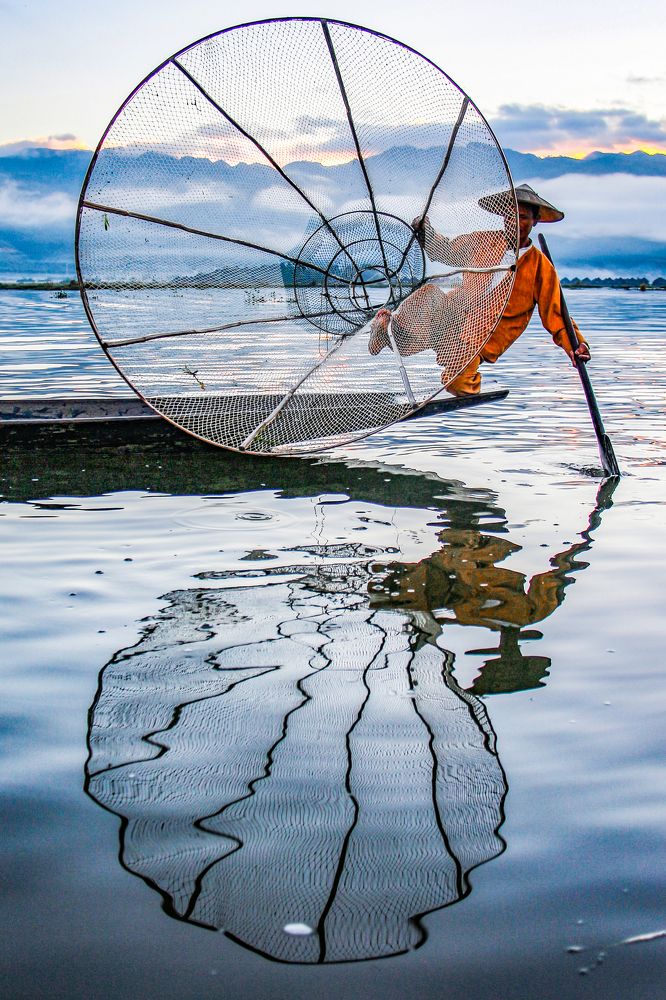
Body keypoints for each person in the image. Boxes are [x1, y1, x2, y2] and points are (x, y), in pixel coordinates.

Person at [369, 184, 591, 395]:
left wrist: (576, 345)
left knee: (457, 382)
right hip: (453, 315)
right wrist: (426, 232)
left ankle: (470, 383)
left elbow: (558, 316)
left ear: (535, 221)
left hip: (481, 336)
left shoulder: (541, 268)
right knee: (428, 296)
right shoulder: (483, 241)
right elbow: (445, 251)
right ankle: (385, 332)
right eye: (509, 215)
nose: (513, 222)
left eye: (522, 217)